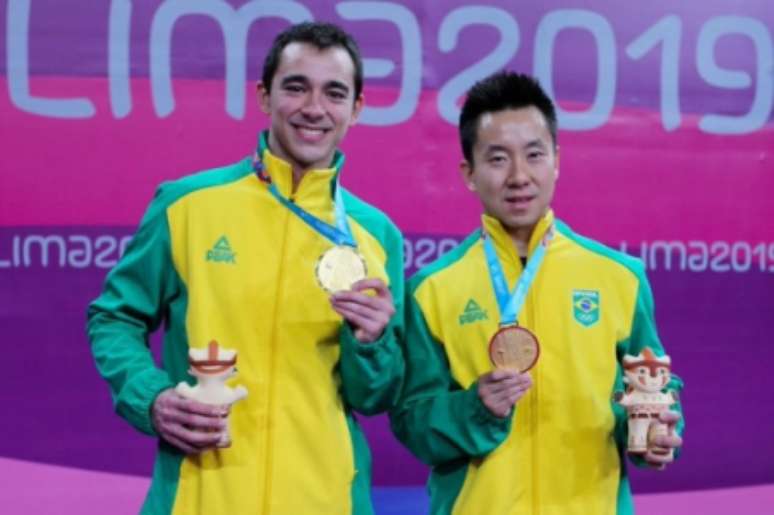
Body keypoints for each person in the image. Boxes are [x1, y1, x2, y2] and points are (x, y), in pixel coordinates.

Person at [87, 22, 404, 515]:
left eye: (334, 93)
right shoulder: (187, 205)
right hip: (200, 496)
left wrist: (373, 345)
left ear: (356, 109)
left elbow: (375, 396)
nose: (314, 108)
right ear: (264, 96)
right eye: (296, 87)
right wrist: (150, 397)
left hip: (325, 500)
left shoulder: (376, 235)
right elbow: (114, 318)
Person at [389, 71, 684, 515]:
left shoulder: (620, 277)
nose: (519, 176)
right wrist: (473, 409)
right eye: (498, 159)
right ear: (469, 173)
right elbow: (413, 421)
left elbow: (652, 385)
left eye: (534, 155)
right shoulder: (431, 290)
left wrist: (652, 436)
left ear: (557, 160)